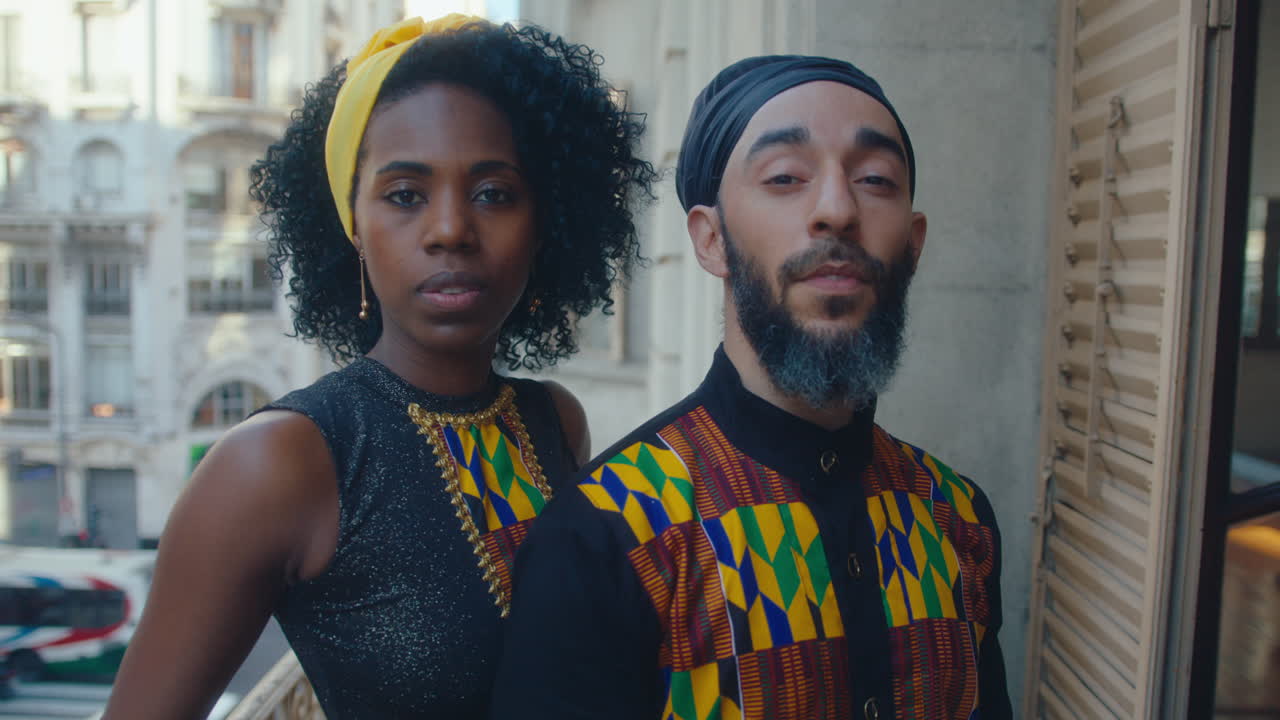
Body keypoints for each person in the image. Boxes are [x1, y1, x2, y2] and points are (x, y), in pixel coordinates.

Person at [103, 15, 656, 720]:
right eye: (404, 195)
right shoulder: (281, 462)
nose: (451, 228)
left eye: (493, 193)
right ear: (351, 223)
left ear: (544, 222)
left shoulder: (553, 421)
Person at [492, 55, 1012, 720]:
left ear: (911, 246)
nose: (836, 210)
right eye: (786, 177)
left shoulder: (959, 519)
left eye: (875, 179)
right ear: (712, 241)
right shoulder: (605, 536)